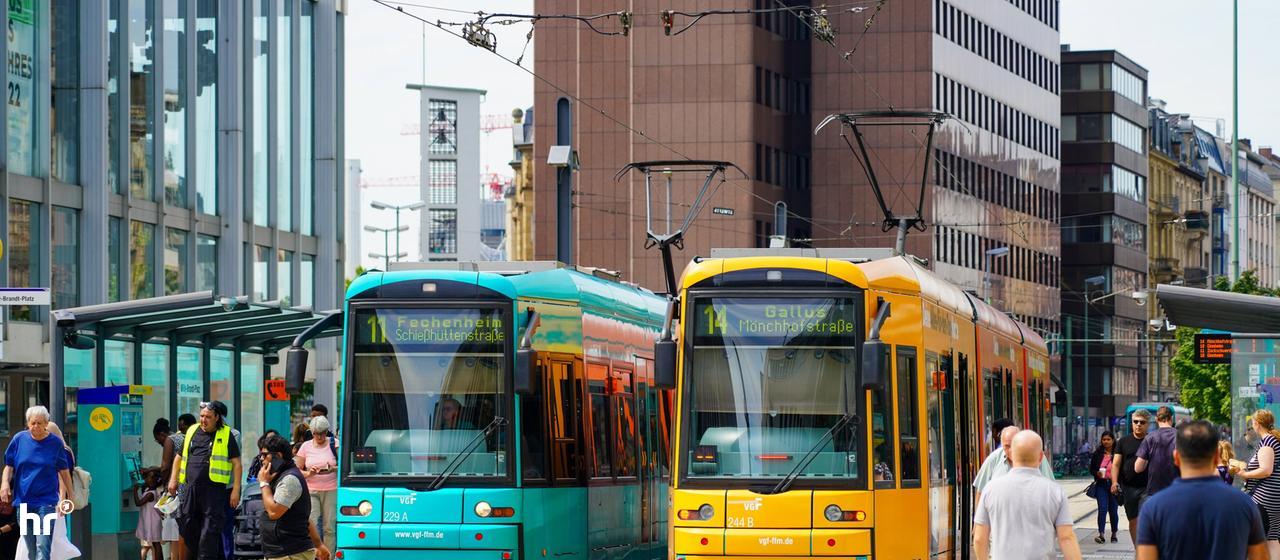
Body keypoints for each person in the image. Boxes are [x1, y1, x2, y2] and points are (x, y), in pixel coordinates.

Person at [1136, 420, 1267, 560]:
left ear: (1176, 457)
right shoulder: (1244, 504)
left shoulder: (1153, 508)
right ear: (1217, 456)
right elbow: (1260, 556)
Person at [973, 430, 1081, 560]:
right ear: (1041, 457)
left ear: (1012, 453)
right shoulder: (1055, 491)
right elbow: (1066, 537)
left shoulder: (990, 489)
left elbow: (979, 539)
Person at [168, 401, 242, 560]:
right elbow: (179, 457)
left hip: (213, 492)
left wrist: (236, 490)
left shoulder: (226, 434)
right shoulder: (192, 431)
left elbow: (237, 464)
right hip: (190, 490)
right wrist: (173, 480)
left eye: (208, 417)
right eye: (201, 416)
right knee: (188, 528)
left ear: (217, 417)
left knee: (209, 532)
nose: (203, 420)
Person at [1, 406, 71, 560]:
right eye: (32, 423)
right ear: (28, 423)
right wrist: (4, 483)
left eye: (39, 423)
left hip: (46, 503)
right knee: (31, 547)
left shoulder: (55, 444)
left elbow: (64, 473)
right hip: (24, 503)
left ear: (47, 423)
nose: (35, 427)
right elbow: (9, 466)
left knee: (43, 545)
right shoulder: (19, 440)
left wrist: (68, 498)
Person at [257, 434, 331, 560]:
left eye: (265, 455)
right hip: (282, 553)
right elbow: (302, 517)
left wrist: (264, 483)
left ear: (278, 456)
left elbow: (274, 512)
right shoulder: (280, 476)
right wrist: (318, 544)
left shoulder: (290, 480)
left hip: (290, 553)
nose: (261, 459)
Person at [973, 425, 1055, 504]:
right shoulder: (993, 459)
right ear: (1002, 445)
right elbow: (980, 492)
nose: (1011, 450)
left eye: (1014, 444)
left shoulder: (1036, 455)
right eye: (1007, 446)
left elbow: (1051, 490)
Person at [1240, 409, 1280, 558]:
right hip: (1273, 497)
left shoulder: (1267, 442)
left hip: (1264, 499)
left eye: (1252, 423)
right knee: (1272, 538)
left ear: (1257, 423)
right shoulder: (1273, 439)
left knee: (1259, 541)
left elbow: (1266, 469)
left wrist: (1244, 473)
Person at [295, 416, 338, 552]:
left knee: (329, 526)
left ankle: (329, 555)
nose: (319, 436)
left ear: (327, 432)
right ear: (312, 433)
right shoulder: (305, 447)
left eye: (323, 433)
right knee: (311, 523)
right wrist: (309, 474)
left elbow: (344, 466)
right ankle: (315, 554)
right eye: (316, 433)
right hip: (311, 488)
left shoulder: (334, 443)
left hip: (331, 488)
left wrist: (333, 469)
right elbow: (296, 469)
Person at [1110, 408, 1150, 545]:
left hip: (1147, 488)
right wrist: (1114, 482)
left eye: (1142, 422)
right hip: (1128, 488)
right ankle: (1138, 550)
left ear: (1148, 424)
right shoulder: (1123, 442)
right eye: (1135, 421)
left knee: (1144, 519)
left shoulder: (1151, 441)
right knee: (1133, 521)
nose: (1138, 424)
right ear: (1132, 423)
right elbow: (1115, 465)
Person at [1135, 405, 1179, 504]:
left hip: (1155, 492)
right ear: (1171, 418)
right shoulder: (1181, 436)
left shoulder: (1150, 438)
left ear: (1156, 419)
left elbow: (1138, 468)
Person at [170, 413, 197, 560]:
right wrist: (173, 481)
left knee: (184, 528)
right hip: (183, 488)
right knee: (183, 527)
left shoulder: (179, 439)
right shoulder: (183, 439)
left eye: (183, 426)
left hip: (188, 489)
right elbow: (177, 460)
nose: (181, 429)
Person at [1089, 431, 1119, 544]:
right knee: (1102, 509)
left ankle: (1114, 533)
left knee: (1113, 510)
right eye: (1104, 439)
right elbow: (1091, 468)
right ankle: (1101, 534)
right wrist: (1096, 473)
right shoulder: (1097, 453)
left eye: (1108, 439)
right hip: (1101, 485)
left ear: (1113, 440)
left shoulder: (1118, 453)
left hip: (1114, 485)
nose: (1106, 441)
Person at [136, 468, 166, 560]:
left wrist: (134, 491)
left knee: (156, 544)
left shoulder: (151, 494)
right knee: (155, 543)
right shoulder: (148, 490)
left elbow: (138, 503)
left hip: (153, 522)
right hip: (152, 521)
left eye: (149, 477)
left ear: (153, 480)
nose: (146, 479)